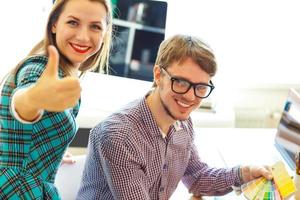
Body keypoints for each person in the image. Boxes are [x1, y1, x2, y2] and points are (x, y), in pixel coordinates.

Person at [77, 34, 273, 200]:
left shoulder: (182, 122)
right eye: (180, 82)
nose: (190, 96)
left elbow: (197, 176)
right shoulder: (119, 136)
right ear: (158, 75)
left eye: (201, 87)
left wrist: (245, 173)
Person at [0, 0, 112, 199]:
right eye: (73, 22)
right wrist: (33, 99)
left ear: (104, 34)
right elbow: (23, 99)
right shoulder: (39, 67)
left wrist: (51, 155)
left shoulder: (65, 75)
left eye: (95, 26)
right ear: (54, 24)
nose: (83, 36)